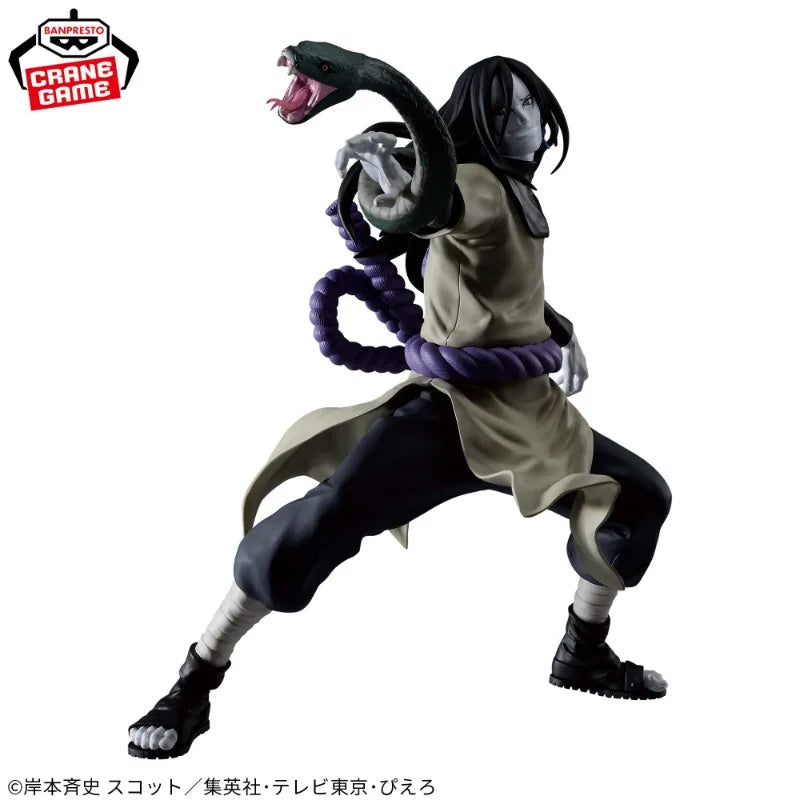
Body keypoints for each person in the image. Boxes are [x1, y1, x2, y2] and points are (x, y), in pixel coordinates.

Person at [128, 54, 671, 759]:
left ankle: (583, 652)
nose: (527, 120)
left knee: (637, 497)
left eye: (532, 106)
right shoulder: (473, 182)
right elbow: (438, 207)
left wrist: (558, 330)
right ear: (478, 120)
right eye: (508, 107)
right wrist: (393, 184)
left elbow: (498, 282)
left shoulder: (515, 192)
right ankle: (194, 680)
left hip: (532, 413)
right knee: (321, 521)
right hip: (450, 417)